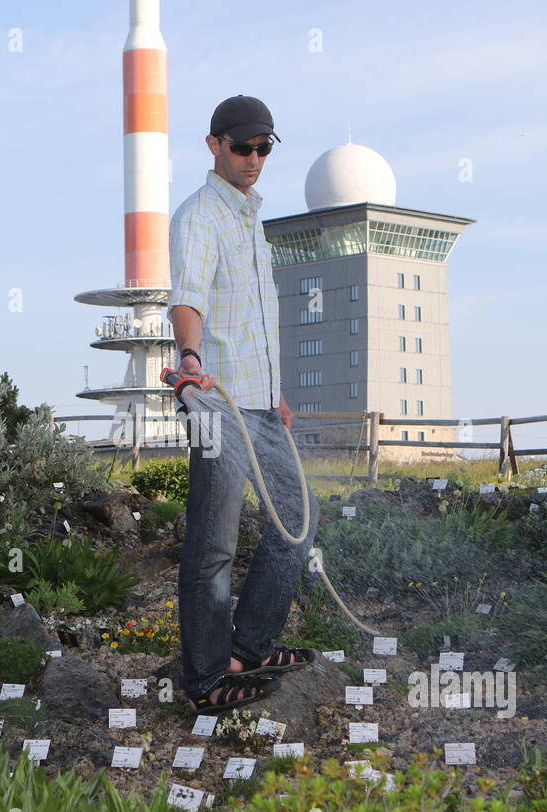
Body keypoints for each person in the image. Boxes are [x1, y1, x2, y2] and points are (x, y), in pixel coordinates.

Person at [166, 94, 320, 716]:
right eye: (243, 147)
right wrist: (190, 359)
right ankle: (205, 678)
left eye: (264, 148)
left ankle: (250, 646)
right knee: (214, 543)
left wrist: (277, 391)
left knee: (298, 524)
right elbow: (189, 298)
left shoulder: (252, 217)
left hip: (260, 403)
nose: (254, 159)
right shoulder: (199, 216)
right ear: (214, 146)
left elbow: (255, 319)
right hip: (214, 404)